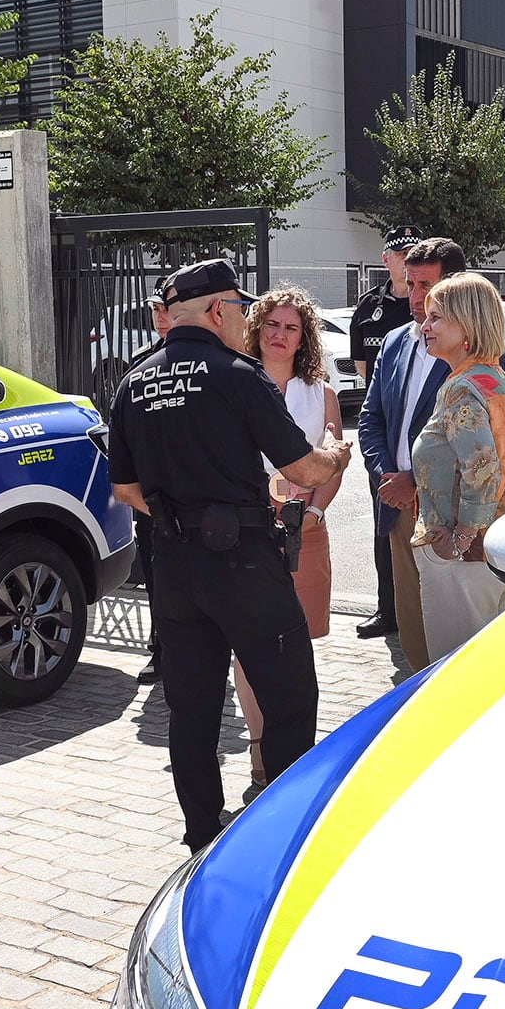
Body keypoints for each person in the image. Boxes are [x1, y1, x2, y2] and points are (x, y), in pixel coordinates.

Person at [107, 258, 351, 853]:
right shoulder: (239, 375)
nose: (246, 319)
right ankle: (285, 834)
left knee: (191, 708)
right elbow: (300, 467)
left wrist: (179, 509)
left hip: (173, 564)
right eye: (240, 309)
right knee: (290, 697)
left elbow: (125, 489)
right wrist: (335, 455)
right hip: (243, 562)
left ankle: (201, 834)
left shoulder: (134, 381)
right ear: (218, 310)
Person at [358, 236, 505, 672]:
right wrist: (386, 477)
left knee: (458, 660)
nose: (414, 299)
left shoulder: (481, 368)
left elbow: (490, 459)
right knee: (419, 635)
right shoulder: (396, 342)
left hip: (452, 529)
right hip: (402, 507)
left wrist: (468, 532)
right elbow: (371, 417)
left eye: (425, 288)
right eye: (409, 285)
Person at [231, 286, 344, 793]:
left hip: (305, 525)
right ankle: (260, 754)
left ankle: (293, 749)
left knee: (296, 643)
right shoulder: (234, 384)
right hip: (245, 525)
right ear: (257, 329)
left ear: (304, 338)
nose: (279, 335)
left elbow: (336, 459)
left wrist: (316, 512)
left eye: (291, 327)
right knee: (248, 645)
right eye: (271, 325)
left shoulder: (320, 393)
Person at [409, 273, 505, 659]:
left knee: (455, 673)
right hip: (497, 554)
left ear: (466, 324)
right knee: (492, 669)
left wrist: (463, 535)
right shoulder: (499, 382)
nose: (425, 326)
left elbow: (482, 467)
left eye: (436, 318)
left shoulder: (461, 387)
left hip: (460, 557)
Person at [349, 225, 422, 639]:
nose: (406, 258)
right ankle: (387, 608)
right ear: (387, 259)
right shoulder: (370, 307)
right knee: (386, 530)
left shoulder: (431, 316)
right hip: (386, 447)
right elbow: (364, 368)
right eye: (401, 253)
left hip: (425, 461)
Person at [124, 275, 175, 683]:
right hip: (151, 490)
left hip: (196, 487)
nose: (160, 317)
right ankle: (160, 649)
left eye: (166, 308)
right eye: (155, 309)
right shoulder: (141, 360)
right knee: (156, 575)